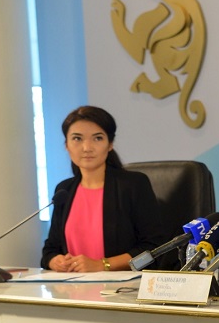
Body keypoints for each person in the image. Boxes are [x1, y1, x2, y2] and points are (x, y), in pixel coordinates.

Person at [41, 106, 165, 272]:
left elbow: (154, 250)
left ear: (110, 144)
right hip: (72, 285)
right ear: (66, 145)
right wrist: (55, 261)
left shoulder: (134, 185)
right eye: (77, 138)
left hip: (122, 286)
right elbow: (50, 249)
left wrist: (103, 265)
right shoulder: (64, 190)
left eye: (97, 138)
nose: (87, 147)